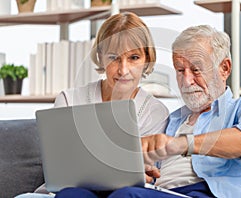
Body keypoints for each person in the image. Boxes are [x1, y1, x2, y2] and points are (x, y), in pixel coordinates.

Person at [77, 25, 241, 198]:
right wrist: (141, 171)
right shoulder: (173, 119)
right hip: (160, 191)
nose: (186, 80)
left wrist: (181, 144)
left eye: (196, 69)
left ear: (224, 68)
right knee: (74, 193)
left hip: (208, 192)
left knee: (127, 195)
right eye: (180, 71)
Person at [15, 12, 168, 198]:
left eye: (134, 58)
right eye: (114, 57)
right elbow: (60, 166)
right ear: (100, 57)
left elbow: (148, 172)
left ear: (147, 59)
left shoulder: (155, 113)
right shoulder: (69, 100)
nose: (123, 69)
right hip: (71, 190)